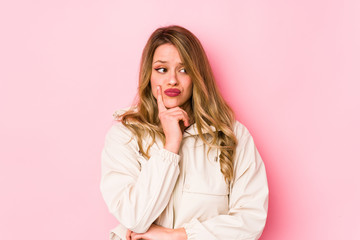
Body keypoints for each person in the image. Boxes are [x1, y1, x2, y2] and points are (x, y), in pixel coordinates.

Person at [100, 25, 269, 240]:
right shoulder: (125, 136)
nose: (172, 80)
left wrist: (177, 235)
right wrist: (171, 145)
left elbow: (250, 221)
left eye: (184, 69)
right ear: (148, 75)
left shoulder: (232, 135)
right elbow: (135, 219)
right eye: (161, 69)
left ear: (197, 76)